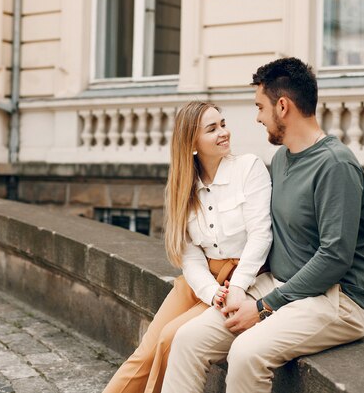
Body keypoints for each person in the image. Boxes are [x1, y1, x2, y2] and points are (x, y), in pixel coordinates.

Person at [161, 57, 364, 393]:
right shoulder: (281, 159)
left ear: (283, 106)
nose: (258, 117)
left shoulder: (335, 165)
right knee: (188, 339)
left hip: (335, 298)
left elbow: (334, 257)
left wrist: (263, 307)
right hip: (279, 285)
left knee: (246, 352)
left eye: (260, 107)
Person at [102, 101, 273, 393]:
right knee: (145, 351)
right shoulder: (182, 185)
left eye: (222, 124)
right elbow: (190, 255)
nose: (224, 133)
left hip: (242, 277)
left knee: (171, 338)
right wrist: (208, 290)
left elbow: (261, 235)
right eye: (212, 129)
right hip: (199, 281)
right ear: (192, 142)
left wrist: (236, 288)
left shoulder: (249, 168)